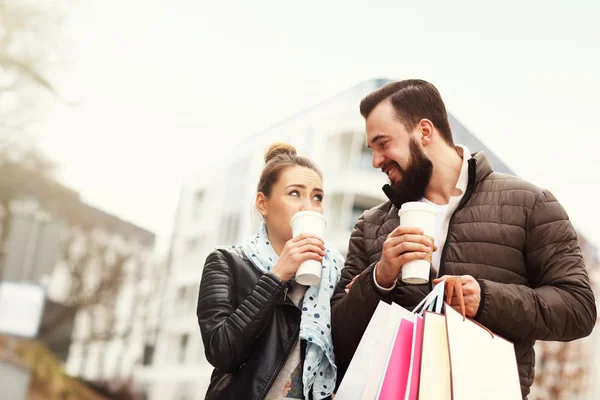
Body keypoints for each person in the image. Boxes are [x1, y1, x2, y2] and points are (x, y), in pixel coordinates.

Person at [331, 79, 597, 398]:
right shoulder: (371, 225)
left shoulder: (530, 204)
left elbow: (578, 310)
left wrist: (485, 298)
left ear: (425, 132)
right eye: (371, 150)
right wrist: (379, 278)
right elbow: (338, 340)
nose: (376, 160)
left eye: (382, 144)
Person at [197, 142, 344, 400]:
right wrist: (276, 277)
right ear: (263, 204)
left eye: (317, 197)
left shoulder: (334, 271)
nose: (309, 207)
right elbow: (221, 352)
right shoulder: (227, 263)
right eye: (295, 194)